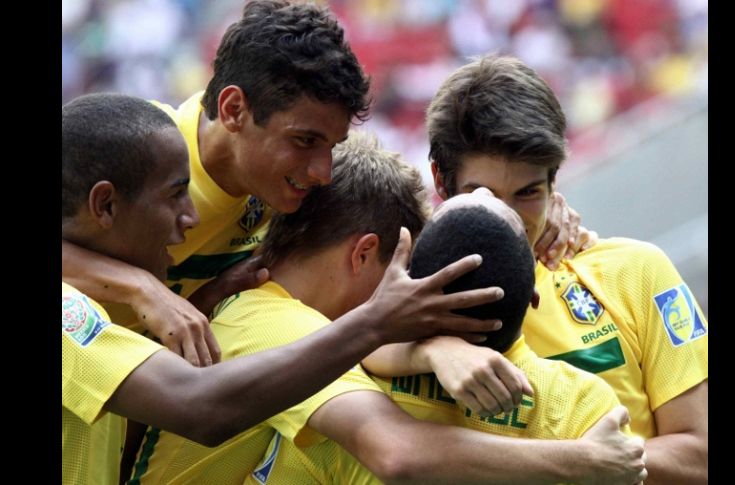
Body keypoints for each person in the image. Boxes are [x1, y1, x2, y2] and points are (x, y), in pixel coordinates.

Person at [60, 0, 588, 368]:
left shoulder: (288, 195)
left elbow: (402, 236)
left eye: (331, 147)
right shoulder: (134, 148)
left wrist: (523, 217)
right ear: (234, 109)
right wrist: (139, 288)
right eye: (305, 140)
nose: (322, 171)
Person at [127, 131, 646, 485]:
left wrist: (431, 348)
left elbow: (369, 350)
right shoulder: (270, 321)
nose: (406, 293)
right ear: (364, 254)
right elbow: (395, 449)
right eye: (403, 270)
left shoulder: (291, 320)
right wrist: (584, 461)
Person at [61, 94, 507, 485]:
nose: (192, 217)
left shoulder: (222, 297)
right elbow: (200, 406)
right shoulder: (71, 313)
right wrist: (378, 321)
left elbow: (126, 423)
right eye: (176, 194)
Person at [419, 54, 708, 484]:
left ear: (555, 184)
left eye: (528, 193)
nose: (509, 216)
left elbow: (699, 455)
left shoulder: (637, 271)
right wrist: (428, 347)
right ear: (441, 182)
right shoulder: (410, 299)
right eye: (484, 193)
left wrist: (583, 459)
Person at [262, 188, 645, 485]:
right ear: (533, 295)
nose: (484, 194)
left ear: (416, 282)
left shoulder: (348, 381)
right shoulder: (586, 410)